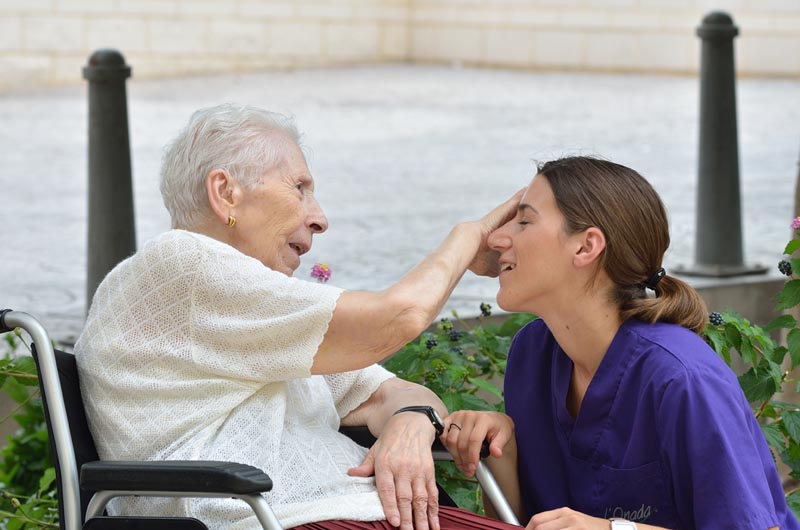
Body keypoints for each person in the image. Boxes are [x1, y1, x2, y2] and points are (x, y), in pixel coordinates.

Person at [75, 103, 524, 530]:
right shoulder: (181, 265)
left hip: (340, 510)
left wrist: (412, 419)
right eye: (299, 188)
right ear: (225, 192)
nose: (320, 218)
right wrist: (469, 238)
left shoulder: (254, 311)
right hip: (272, 517)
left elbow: (383, 392)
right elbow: (400, 317)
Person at [442, 156, 800, 530]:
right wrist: (502, 448)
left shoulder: (682, 378)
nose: (496, 238)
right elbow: (521, 523)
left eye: (524, 221)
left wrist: (614, 529)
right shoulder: (533, 354)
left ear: (585, 247)